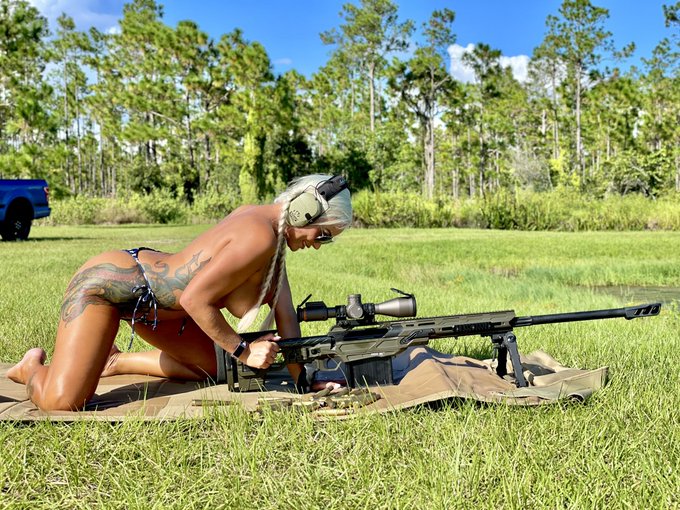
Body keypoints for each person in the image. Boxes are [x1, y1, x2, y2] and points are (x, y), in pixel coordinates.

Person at [7, 174, 352, 411]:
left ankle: (111, 359)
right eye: (322, 235)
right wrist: (244, 350)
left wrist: (304, 383)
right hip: (106, 287)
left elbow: (286, 314)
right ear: (304, 212)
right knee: (62, 402)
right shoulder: (259, 236)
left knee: (210, 370)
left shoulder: (273, 240)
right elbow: (194, 299)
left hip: (157, 311)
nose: (320, 246)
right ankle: (31, 368)